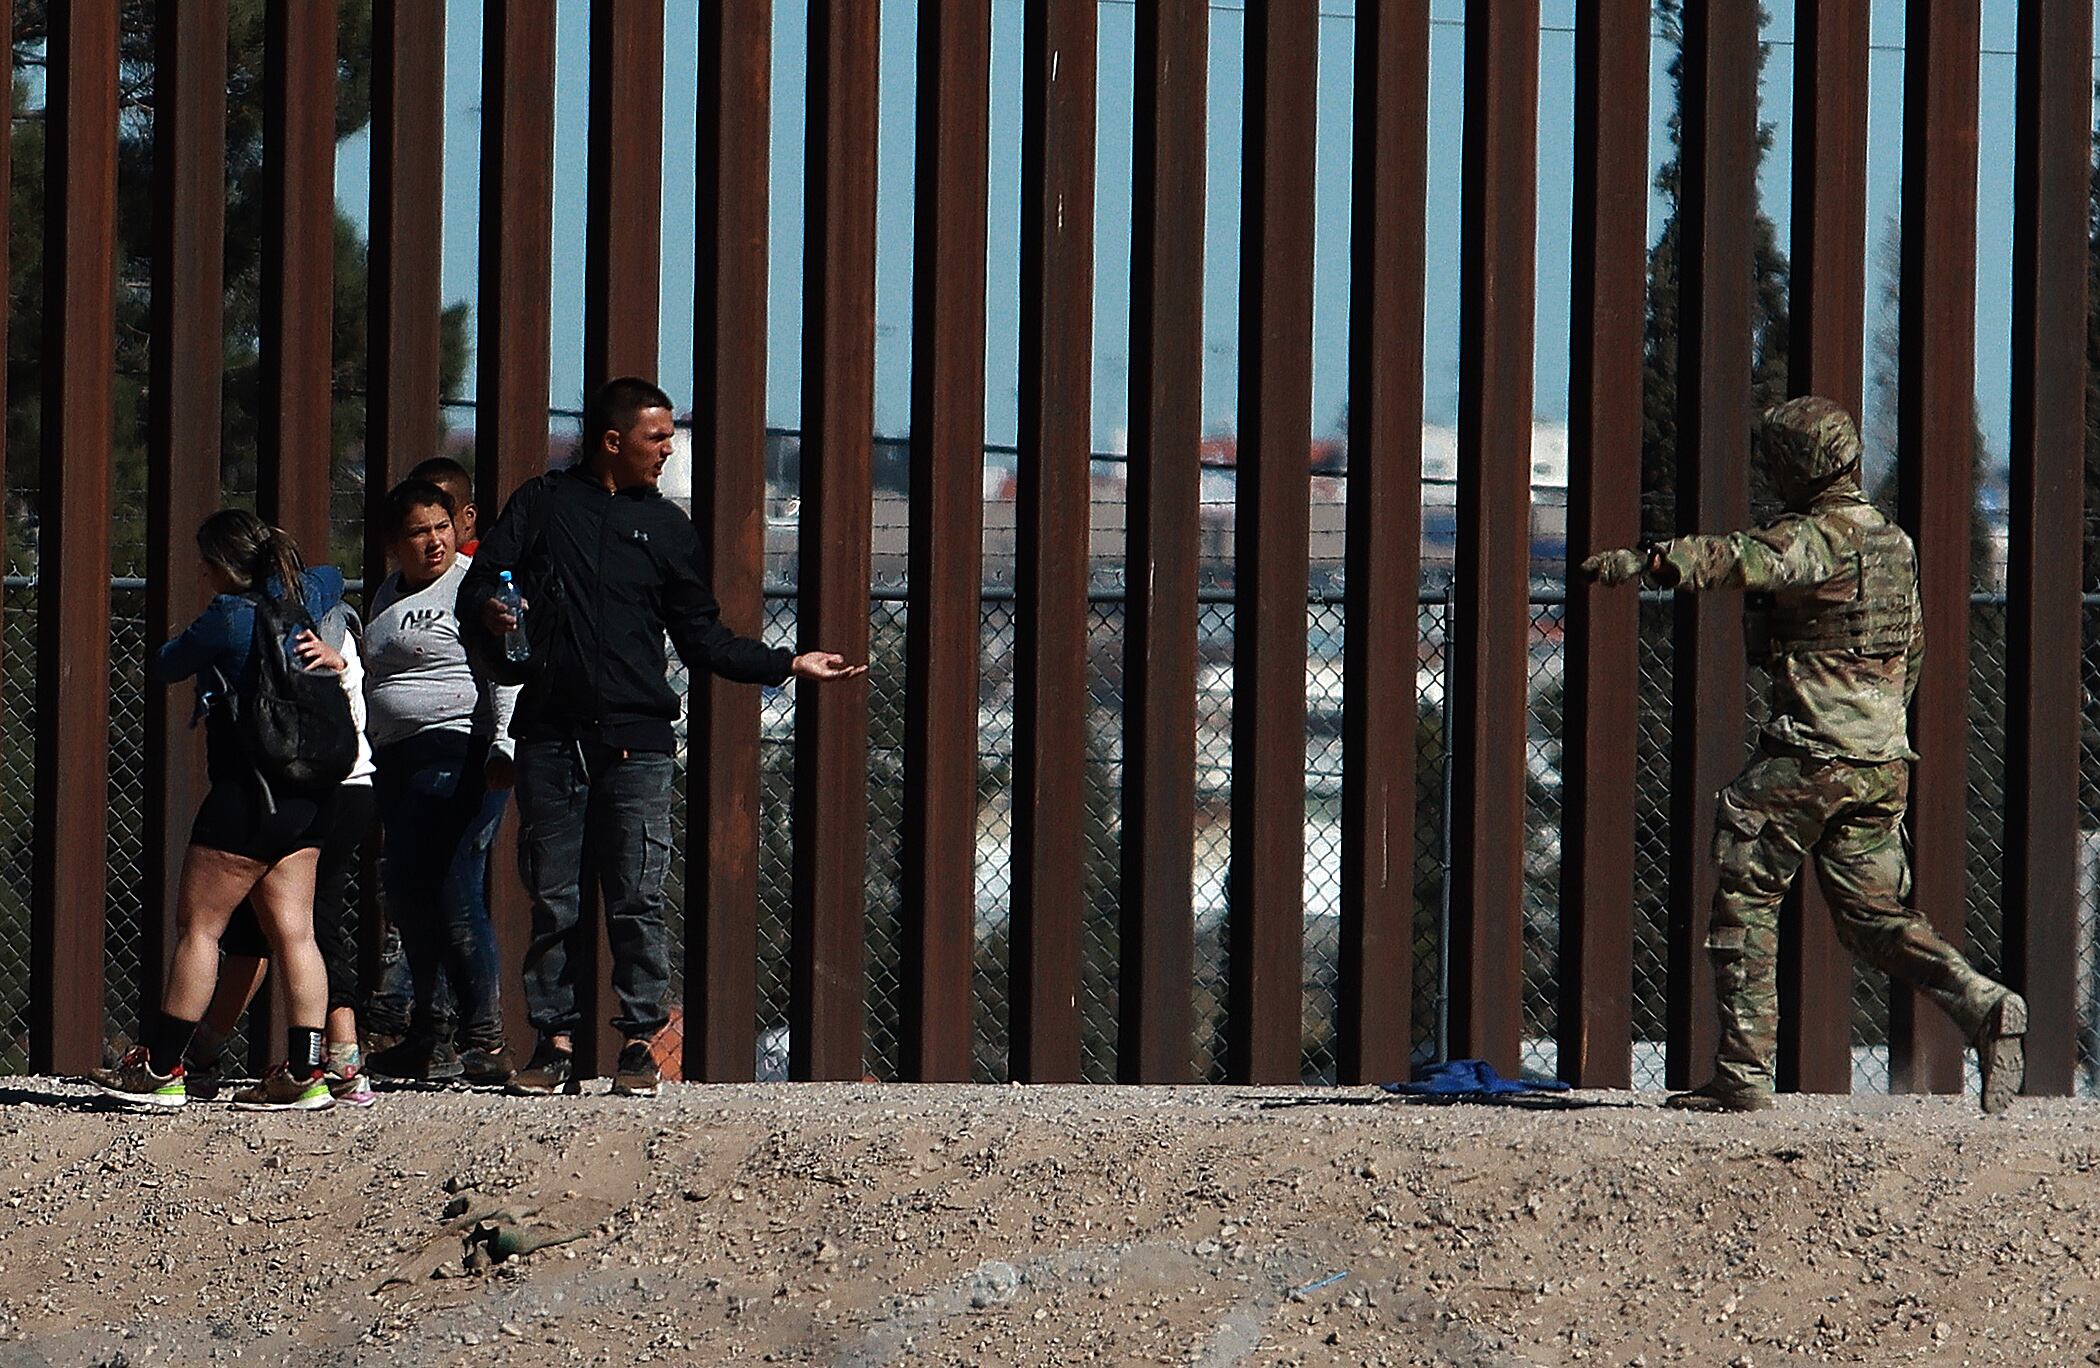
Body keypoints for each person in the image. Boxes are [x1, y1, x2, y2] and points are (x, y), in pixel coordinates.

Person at [1581, 395, 2028, 1115]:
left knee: (1746, 891)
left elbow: (1739, 559)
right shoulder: (1894, 542)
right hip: (1881, 761)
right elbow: (1911, 648)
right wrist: (1876, 718)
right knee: (1872, 920)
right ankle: (1984, 1004)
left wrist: (1648, 561)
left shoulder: (1815, 538)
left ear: (1797, 466)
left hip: (1814, 754)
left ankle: (1743, 1072)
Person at [461, 376, 864, 1097]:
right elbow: (483, 584)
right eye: (656, 436)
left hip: (638, 743)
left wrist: (786, 662)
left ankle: (638, 1044)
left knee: (636, 896)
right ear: (614, 441)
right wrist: (493, 608)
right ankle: (553, 1043)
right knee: (554, 896)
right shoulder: (543, 505)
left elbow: (703, 638)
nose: (667, 448)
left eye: (669, 436)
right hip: (552, 735)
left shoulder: (670, 530)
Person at [94, 510, 348, 1110]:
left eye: (207, 564)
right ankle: (305, 1075)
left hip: (245, 794)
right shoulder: (306, 595)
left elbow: (166, 663)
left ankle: (161, 1070)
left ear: (223, 565)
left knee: (201, 929)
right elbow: (333, 575)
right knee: (296, 934)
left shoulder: (227, 617)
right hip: (309, 797)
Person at [183, 599, 379, 1107]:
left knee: (295, 928)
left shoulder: (291, 628)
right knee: (285, 927)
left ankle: (331, 1059)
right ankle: (331, 1060)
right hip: (348, 784)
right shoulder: (330, 617)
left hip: (317, 786)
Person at [362, 478, 520, 1085]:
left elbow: (505, 667)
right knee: (406, 893)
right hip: (396, 759)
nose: (432, 541)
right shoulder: (386, 593)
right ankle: (429, 1036)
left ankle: (485, 1038)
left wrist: (503, 744)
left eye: (440, 527)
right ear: (394, 542)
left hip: (459, 748)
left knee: (454, 890)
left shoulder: (469, 585)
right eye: (417, 531)